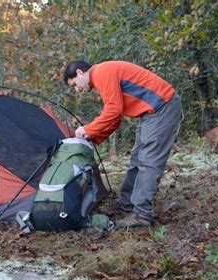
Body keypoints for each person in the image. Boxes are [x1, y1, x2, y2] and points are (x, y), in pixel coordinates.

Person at [64, 60, 182, 228]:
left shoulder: (101, 72)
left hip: (162, 108)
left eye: (75, 84)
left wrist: (88, 129)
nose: (78, 90)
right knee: (136, 159)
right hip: (150, 113)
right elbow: (115, 119)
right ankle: (126, 203)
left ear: (80, 72)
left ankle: (142, 214)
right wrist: (93, 136)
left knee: (148, 161)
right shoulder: (101, 75)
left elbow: (113, 110)